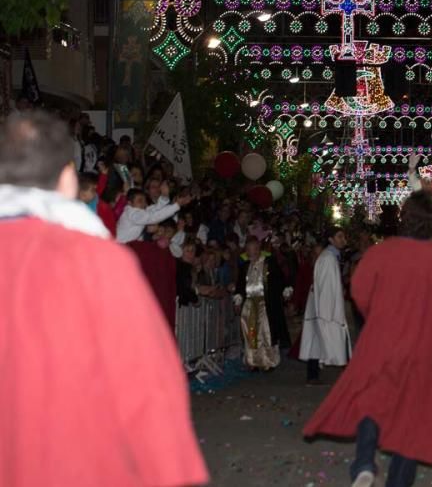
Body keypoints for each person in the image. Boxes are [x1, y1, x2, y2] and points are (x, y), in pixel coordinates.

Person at [0, 112, 208, 486]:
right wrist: (166, 464)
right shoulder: (96, 259)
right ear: (67, 177)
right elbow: (143, 372)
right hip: (69, 454)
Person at [303, 191, 432, 487]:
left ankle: (365, 462)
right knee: (412, 417)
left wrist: (377, 315)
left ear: (403, 219)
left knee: (373, 400)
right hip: (425, 349)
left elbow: (359, 290)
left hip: (382, 342)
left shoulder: (380, 253)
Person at [300, 228, 352, 383]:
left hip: (322, 308)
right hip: (326, 310)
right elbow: (326, 287)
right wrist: (327, 313)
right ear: (331, 239)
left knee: (316, 341)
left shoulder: (329, 257)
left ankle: (313, 375)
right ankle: (348, 374)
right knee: (331, 339)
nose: (343, 240)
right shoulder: (328, 258)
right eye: (339, 236)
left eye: (344, 236)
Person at [234, 236, 282, 371]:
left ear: (259, 249)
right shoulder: (244, 266)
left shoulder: (268, 263)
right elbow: (240, 285)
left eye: (255, 249)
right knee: (251, 333)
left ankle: (268, 361)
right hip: (249, 303)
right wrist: (238, 299)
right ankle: (253, 361)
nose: (252, 252)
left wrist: (284, 291)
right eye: (249, 250)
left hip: (264, 303)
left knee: (266, 332)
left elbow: (278, 280)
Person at [116, 187, 189, 244]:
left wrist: (164, 196)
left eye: (144, 201)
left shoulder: (137, 211)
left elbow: (155, 209)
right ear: (129, 203)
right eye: (140, 201)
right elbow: (153, 217)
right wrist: (176, 205)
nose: (144, 204)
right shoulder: (132, 213)